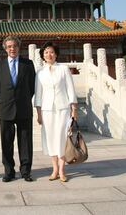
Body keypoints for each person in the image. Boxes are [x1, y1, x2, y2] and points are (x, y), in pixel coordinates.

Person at [0, 36, 36, 182]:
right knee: (6, 142)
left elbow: (32, 87)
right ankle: (9, 171)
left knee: (25, 141)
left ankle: (25, 171)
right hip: (6, 108)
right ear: (5, 48)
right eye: (9, 46)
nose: (12, 49)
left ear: (19, 47)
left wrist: (22, 99)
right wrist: (6, 100)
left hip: (24, 108)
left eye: (15, 46)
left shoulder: (28, 64)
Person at [34, 41, 78, 182]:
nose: (49, 54)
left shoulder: (63, 69)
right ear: (43, 55)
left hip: (63, 108)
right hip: (47, 110)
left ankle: (62, 171)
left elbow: (70, 89)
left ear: (56, 53)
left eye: (51, 52)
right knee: (51, 139)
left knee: (62, 138)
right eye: (46, 52)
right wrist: (39, 113)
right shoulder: (40, 72)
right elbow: (38, 94)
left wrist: (74, 109)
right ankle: (54, 170)